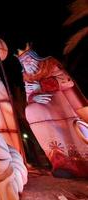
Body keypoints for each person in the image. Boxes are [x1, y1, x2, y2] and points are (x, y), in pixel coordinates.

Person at [16, 43, 88, 178]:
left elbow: (66, 80)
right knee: (31, 111)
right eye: (22, 62)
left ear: (34, 57)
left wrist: (42, 85)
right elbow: (29, 95)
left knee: (73, 130)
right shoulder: (27, 75)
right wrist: (35, 97)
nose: (26, 63)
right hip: (47, 111)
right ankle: (61, 162)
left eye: (27, 59)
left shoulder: (49, 63)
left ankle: (82, 163)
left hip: (64, 105)